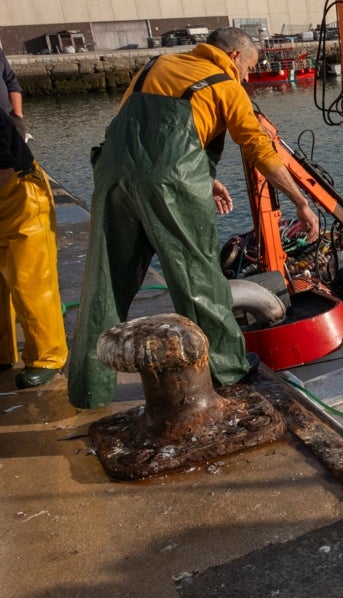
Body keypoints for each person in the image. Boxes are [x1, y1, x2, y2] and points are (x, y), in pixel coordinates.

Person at [68, 27, 319, 409]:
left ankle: (88, 387)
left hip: (113, 176)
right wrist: (300, 200)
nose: (248, 78)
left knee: (106, 281)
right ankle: (227, 371)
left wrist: (206, 177)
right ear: (233, 57)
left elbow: (140, 135)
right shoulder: (225, 84)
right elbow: (259, 150)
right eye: (249, 69)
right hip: (171, 183)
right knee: (197, 277)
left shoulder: (156, 66)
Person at [0, 108, 68, 388]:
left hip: (20, 193)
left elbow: (2, 169)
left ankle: (46, 357)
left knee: (29, 279)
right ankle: (3, 352)